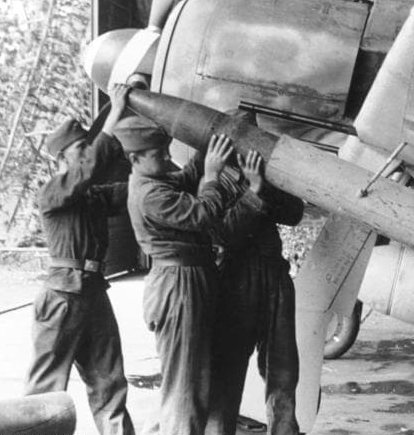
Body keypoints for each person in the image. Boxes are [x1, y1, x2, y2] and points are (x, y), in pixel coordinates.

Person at [114, 114, 263, 435]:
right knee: (186, 388)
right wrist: (213, 174)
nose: (168, 158)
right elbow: (203, 214)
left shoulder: (154, 180)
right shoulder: (150, 194)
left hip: (189, 282)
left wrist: (216, 132)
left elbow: (187, 175)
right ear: (135, 158)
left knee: (199, 380)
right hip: (179, 288)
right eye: (159, 154)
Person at [25, 83, 134, 435]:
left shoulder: (94, 197)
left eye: (88, 145)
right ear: (62, 159)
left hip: (91, 295)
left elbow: (141, 189)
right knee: (45, 393)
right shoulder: (53, 191)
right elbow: (89, 168)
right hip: (62, 297)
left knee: (110, 385)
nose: (87, 152)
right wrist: (114, 113)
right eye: (80, 148)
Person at [205, 141, 304, 435]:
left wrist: (260, 183)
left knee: (283, 372)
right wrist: (254, 190)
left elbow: (295, 212)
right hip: (237, 280)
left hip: (275, 275)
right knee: (227, 372)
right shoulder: (211, 179)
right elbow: (221, 232)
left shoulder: (258, 174)